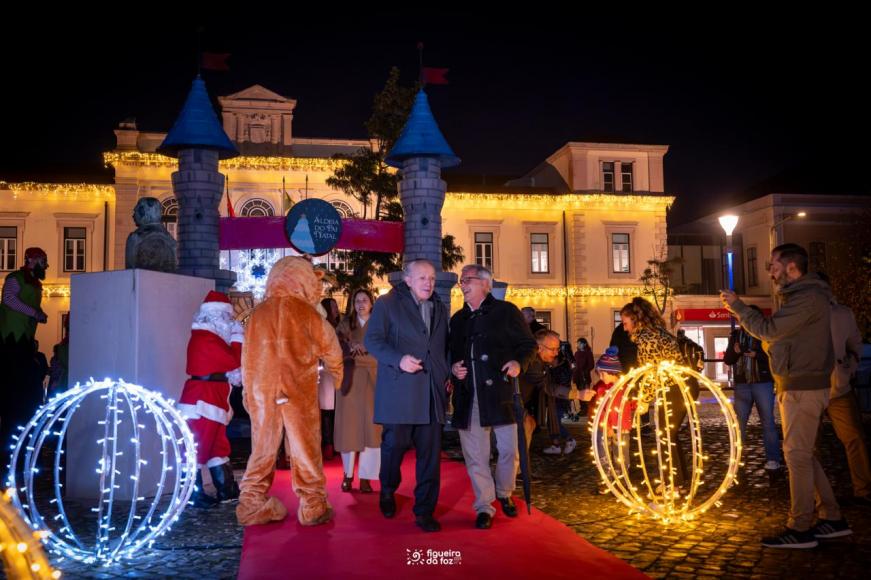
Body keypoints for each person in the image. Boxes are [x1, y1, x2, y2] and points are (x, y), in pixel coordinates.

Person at [721, 243, 850, 548]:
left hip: (803, 387)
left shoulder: (807, 298)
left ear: (791, 267)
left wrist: (739, 307)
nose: (770, 270)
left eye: (773, 265)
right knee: (803, 453)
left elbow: (768, 330)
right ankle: (832, 517)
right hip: (798, 383)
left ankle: (801, 527)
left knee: (795, 456)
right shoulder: (802, 297)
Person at [236, 257, 343, 527]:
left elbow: (246, 359)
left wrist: (248, 395)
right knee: (305, 447)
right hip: (299, 392)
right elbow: (332, 350)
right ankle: (312, 505)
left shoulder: (257, 315)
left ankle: (250, 503)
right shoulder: (309, 314)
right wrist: (337, 375)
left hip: (264, 392)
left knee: (262, 449)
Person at [364, 259, 450, 533]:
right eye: (423, 277)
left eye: (432, 278)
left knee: (430, 457)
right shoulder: (387, 303)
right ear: (408, 279)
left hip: (432, 394)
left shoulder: (440, 306)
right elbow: (373, 340)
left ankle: (424, 511)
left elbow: (442, 346)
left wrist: (448, 372)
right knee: (394, 446)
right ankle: (388, 488)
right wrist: (398, 359)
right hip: (400, 390)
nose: (429, 283)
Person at [450, 264, 537, 529]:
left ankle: (504, 493)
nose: (462, 285)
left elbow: (528, 345)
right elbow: (450, 353)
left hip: (501, 394)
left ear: (485, 284)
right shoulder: (458, 319)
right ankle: (484, 505)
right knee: (476, 455)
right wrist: (454, 367)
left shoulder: (506, 312)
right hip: (469, 396)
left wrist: (518, 363)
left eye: (468, 280)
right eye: (461, 281)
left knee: (509, 450)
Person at [178, 291, 244, 508]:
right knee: (199, 447)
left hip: (211, 397)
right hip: (202, 400)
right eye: (226, 318)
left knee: (217, 447)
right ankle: (191, 494)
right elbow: (233, 359)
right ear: (215, 317)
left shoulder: (211, 337)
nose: (229, 323)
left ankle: (227, 490)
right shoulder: (205, 338)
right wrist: (237, 337)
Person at [619, 298, 690, 488]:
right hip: (677, 386)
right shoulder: (654, 333)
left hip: (673, 387)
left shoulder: (647, 338)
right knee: (669, 434)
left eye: (625, 323)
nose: (624, 328)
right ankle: (679, 481)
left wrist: (644, 401)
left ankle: (671, 483)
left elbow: (652, 372)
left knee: (665, 434)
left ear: (635, 320)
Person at [817, 271, 870, 507]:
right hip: (809, 387)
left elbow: (855, 343)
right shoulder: (798, 313)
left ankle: (864, 488)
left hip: (839, 386)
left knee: (854, 438)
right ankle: (817, 495)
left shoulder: (842, 314)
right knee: (807, 444)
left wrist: (851, 363)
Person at [0, 247, 49, 476]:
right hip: (11, 342)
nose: (44, 265)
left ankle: (19, 452)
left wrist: (37, 313)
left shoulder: (36, 284)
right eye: (41, 260)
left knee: (24, 399)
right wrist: (34, 312)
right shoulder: (14, 278)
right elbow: (9, 300)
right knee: (13, 397)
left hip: (25, 343)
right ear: (30, 260)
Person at [723, 305, 783, 471]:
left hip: (762, 381)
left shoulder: (765, 335)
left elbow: (775, 357)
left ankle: (773, 458)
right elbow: (728, 360)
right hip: (742, 384)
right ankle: (736, 458)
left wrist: (757, 355)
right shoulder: (736, 335)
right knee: (739, 423)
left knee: (768, 422)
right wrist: (735, 352)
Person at [335, 289, 381, 494]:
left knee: (372, 430)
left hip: (375, 380)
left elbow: (385, 350)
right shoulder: (345, 325)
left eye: (364, 300)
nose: (360, 304)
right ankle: (347, 474)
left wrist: (365, 349)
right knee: (349, 428)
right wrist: (350, 345)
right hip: (351, 379)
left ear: (372, 303)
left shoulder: (380, 324)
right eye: (356, 300)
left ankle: (366, 477)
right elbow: (336, 347)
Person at [591, 347, 630, 495]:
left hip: (622, 427)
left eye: (602, 373)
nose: (600, 376)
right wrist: (606, 426)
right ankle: (606, 481)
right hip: (605, 427)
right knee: (604, 454)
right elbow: (602, 410)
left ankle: (621, 481)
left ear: (612, 372)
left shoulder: (624, 387)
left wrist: (637, 405)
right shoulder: (602, 389)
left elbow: (628, 404)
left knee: (621, 455)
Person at [319, 297, 341, 460]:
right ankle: (328, 443)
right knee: (327, 408)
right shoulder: (323, 327)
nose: (336, 309)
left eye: (336, 306)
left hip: (336, 372)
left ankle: (335, 442)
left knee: (335, 409)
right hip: (325, 372)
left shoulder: (339, 326)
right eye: (332, 306)